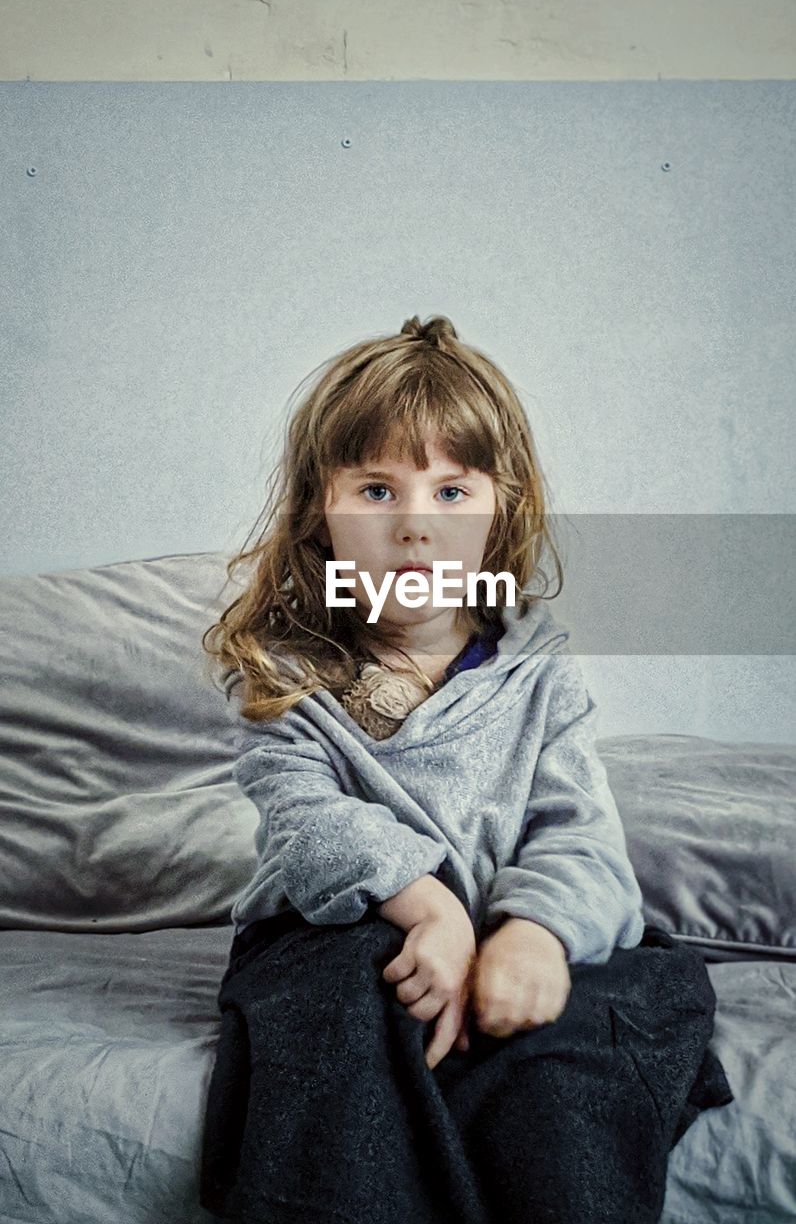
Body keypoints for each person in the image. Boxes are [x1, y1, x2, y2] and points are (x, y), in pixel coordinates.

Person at [198, 314, 733, 1224]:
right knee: (331, 996)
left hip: (513, 942)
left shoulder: (540, 676)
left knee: (592, 1028)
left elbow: (579, 833)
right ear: (318, 518)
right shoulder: (287, 675)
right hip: (358, 941)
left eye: (453, 493)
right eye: (375, 489)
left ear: (500, 513)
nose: (415, 526)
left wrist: (531, 935)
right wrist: (430, 906)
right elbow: (306, 822)